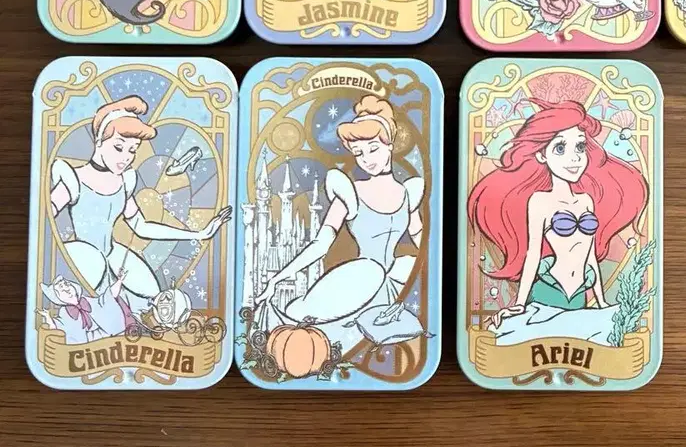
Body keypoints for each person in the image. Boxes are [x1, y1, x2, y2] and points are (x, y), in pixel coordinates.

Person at [255, 95, 426, 345]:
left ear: (390, 144)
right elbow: (320, 245)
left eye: (373, 149)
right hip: (361, 277)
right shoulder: (349, 192)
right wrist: (277, 278)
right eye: (359, 153)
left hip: (395, 277)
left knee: (407, 265)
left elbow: (421, 238)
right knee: (311, 321)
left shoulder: (409, 192)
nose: (367, 159)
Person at [468, 99, 647, 328]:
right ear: (541, 155)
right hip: (548, 290)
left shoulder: (586, 201)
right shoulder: (540, 201)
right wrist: (520, 304)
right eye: (560, 148)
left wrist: (601, 301)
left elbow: (590, 255)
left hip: (580, 293)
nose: (574, 158)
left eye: (580, 147)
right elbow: (532, 255)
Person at [49, 96, 232, 313]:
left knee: (153, 294)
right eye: (119, 147)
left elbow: (141, 226)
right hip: (83, 259)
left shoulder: (124, 182)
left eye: (132, 150)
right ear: (99, 141)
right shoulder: (74, 180)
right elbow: (45, 219)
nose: (126, 157)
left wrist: (199, 234)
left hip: (114, 255)